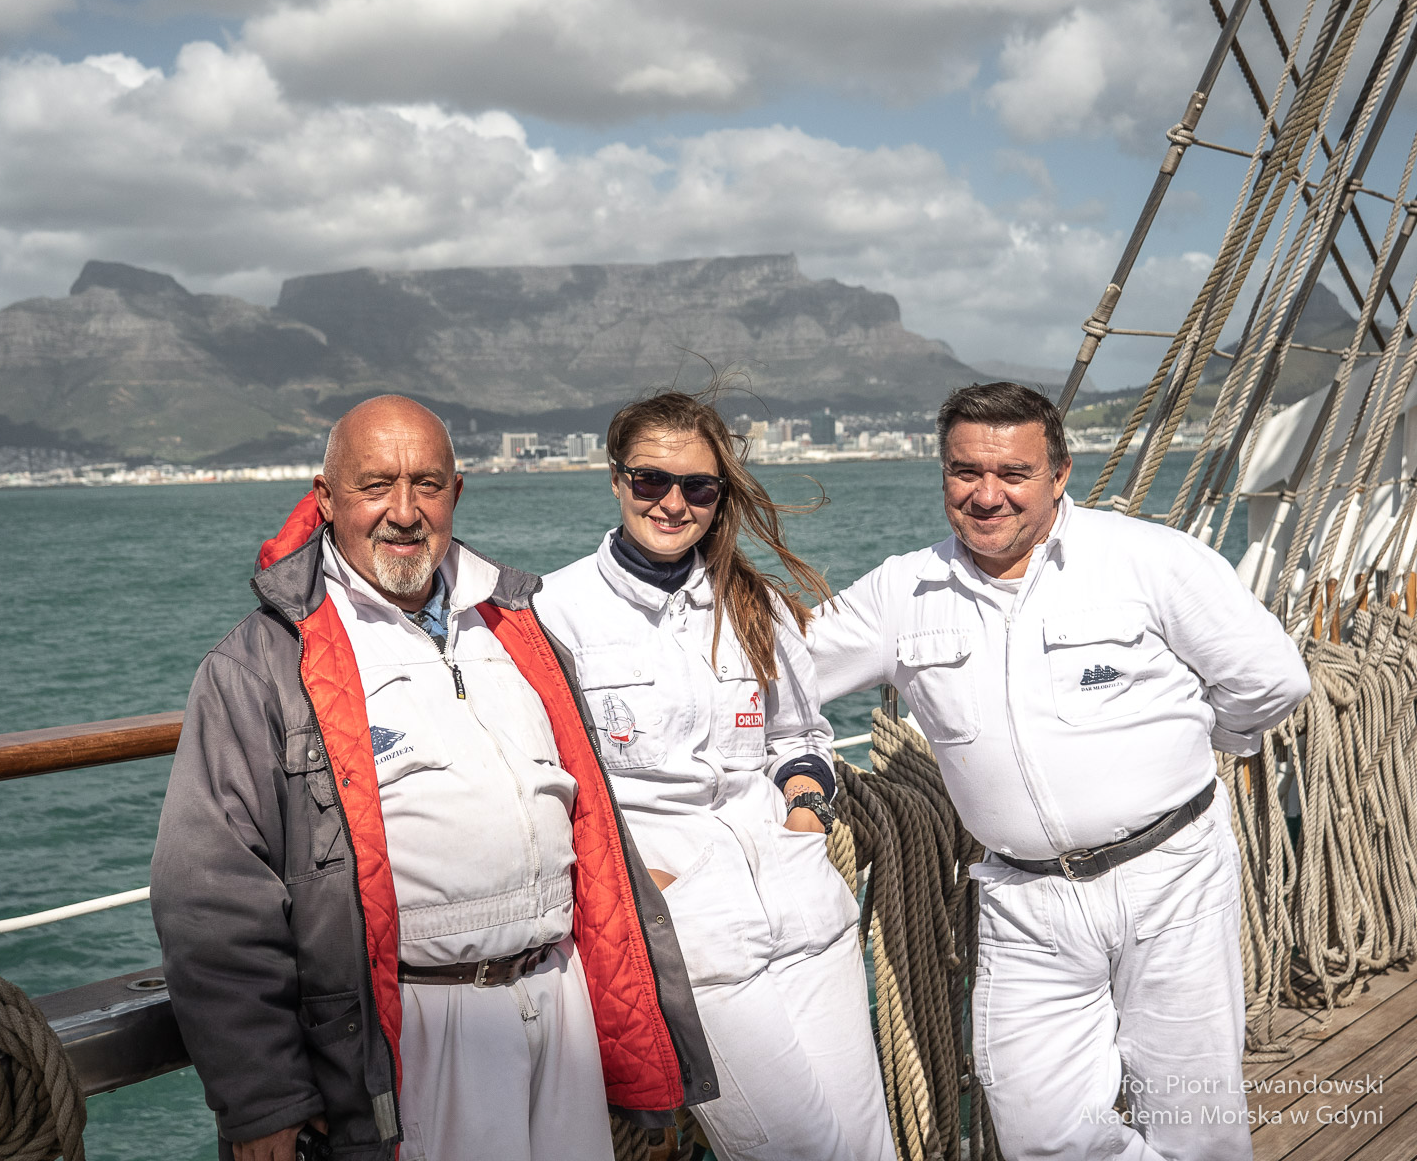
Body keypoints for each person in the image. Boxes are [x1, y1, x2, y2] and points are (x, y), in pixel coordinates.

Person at [150, 395, 715, 1161]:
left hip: (561, 1004)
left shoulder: (518, 627)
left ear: (457, 492)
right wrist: (263, 1100)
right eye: (375, 485)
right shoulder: (260, 666)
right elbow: (211, 900)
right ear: (326, 499)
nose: (404, 511)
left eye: (427, 484)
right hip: (415, 1029)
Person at [809, 382, 1311, 1160]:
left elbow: (1271, 679)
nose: (987, 495)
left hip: (1170, 875)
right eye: (965, 472)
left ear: (1059, 473)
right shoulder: (903, 592)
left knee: (1193, 1116)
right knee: (1042, 1132)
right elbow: (776, 674)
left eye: (1013, 472)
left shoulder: (1146, 559)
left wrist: (1208, 742)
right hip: (1023, 897)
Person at [536, 391, 896, 1161]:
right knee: (795, 1152)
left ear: (720, 494)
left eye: (698, 487)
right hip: (693, 944)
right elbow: (548, 786)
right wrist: (653, 887)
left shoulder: (753, 602)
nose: (673, 503)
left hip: (810, 916)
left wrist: (805, 817)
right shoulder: (554, 613)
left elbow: (801, 735)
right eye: (651, 480)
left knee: (869, 1149)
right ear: (616, 479)